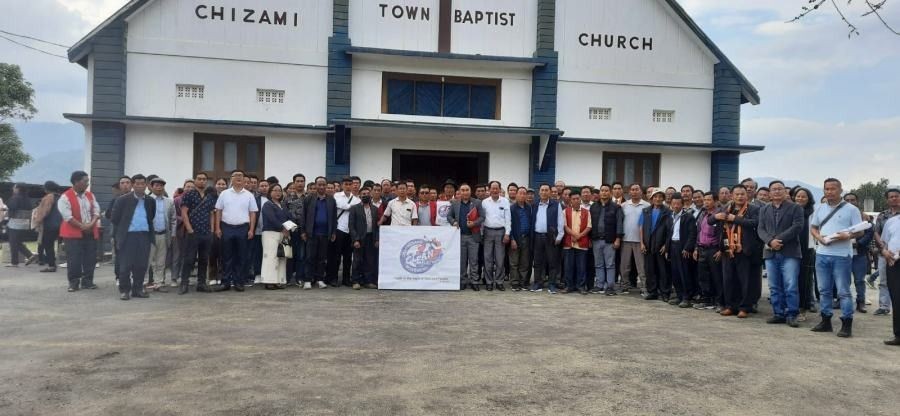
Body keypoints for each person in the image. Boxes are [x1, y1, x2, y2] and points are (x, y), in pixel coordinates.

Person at [810, 178, 864, 338]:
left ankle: (846, 322)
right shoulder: (820, 208)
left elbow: (860, 231)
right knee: (824, 290)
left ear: (841, 190)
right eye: (826, 189)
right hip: (822, 253)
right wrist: (819, 238)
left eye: (833, 189)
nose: (829, 192)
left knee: (843, 291)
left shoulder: (851, 209)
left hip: (842, 255)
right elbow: (813, 227)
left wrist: (847, 235)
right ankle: (825, 320)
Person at [758, 180, 805, 327]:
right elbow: (761, 229)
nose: (777, 191)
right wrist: (770, 241)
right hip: (770, 252)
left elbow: (797, 227)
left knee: (790, 285)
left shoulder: (795, 208)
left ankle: (792, 314)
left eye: (780, 189)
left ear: (785, 192)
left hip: (790, 251)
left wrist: (778, 239)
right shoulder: (764, 209)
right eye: (774, 189)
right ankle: (778, 313)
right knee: (774, 285)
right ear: (770, 193)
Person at [714, 185, 762, 318]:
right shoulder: (726, 208)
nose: (740, 196)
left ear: (747, 195)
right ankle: (730, 306)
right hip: (727, 249)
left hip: (744, 249)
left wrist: (735, 219)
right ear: (732, 196)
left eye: (742, 194)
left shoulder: (754, 209)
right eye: (737, 194)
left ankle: (744, 307)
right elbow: (712, 220)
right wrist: (718, 216)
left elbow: (755, 223)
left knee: (745, 280)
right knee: (729, 279)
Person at [111, 174, 156, 301]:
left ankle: (138, 289)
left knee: (141, 265)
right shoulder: (122, 200)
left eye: (143, 183)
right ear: (132, 185)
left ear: (146, 185)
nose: (140, 186)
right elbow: (114, 218)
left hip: (144, 236)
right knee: (125, 265)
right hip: (128, 236)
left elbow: (151, 216)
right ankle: (125, 290)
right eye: (137, 183)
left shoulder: (150, 201)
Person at [214, 169, 259, 292]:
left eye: (241, 175)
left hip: (243, 228)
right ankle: (226, 282)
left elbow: (252, 213)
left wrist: (251, 229)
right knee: (226, 256)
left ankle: (239, 282)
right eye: (236, 175)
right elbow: (218, 211)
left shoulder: (249, 195)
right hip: (226, 227)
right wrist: (217, 228)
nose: (239, 177)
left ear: (244, 179)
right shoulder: (224, 194)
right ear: (231, 179)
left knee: (241, 256)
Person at [58, 171, 101, 291]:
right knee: (74, 259)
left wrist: (91, 224)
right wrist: (82, 226)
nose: (87, 183)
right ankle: (73, 283)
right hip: (73, 233)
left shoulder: (90, 195)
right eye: (85, 181)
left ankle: (88, 281)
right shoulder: (65, 197)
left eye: (88, 181)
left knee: (90, 258)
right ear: (76, 182)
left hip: (90, 231)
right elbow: (67, 217)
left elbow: (96, 211)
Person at [180, 172, 217, 294]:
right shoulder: (189, 195)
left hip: (206, 232)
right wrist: (190, 229)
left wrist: (211, 230)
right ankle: (184, 284)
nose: (202, 181)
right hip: (193, 232)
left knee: (204, 259)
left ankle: (201, 284)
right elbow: (184, 212)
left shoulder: (210, 196)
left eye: (204, 179)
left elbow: (212, 213)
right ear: (195, 180)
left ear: (207, 182)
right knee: (189, 259)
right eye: (199, 179)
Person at [449, 183, 485, 291]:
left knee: (474, 261)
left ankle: (474, 281)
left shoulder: (477, 202)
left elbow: (483, 216)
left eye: (467, 190)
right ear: (459, 192)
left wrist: (474, 223)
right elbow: (449, 216)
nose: (465, 192)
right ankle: (463, 281)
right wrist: (454, 221)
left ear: (470, 191)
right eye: (462, 190)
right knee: (462, 261)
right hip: (460, 237)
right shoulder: (455, 203)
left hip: (473, 236)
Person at [302, 176, 336, 290]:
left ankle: (320, 279)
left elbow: (334, 218)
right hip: (312, 233)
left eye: (323, 184)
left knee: (322, 258)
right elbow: (304, 216)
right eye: (319, 184)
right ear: (315, 185)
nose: (321, 187)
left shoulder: (331, 199)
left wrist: (333, 232)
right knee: (310, 257)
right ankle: (307, 280)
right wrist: (303, 231)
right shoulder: (308, 199)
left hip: (325, 234)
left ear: (326, 186)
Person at [589, 184, 623, 295]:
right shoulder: (593, 206)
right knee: (598, 264)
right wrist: (590, 238)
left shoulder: (616, 207)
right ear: (599, 193)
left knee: (610, 264)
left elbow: (619, 224)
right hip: (596, 240)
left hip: (610, 240)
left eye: (606, 190)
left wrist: (618, 239)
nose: (604, 192)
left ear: (610, 193)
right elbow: (590, 224)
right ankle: (599, 285)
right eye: (602, 190)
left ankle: (610, 286)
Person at [843, 192, 874, 313]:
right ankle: (843, 301)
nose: (850, 202)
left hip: (859, 254)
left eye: (853, 200)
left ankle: (861, 302)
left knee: (859, 280)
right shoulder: (840, 216)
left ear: (857, 201)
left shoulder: (864, 218)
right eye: (847, 200)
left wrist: (857, 243)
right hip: (843, 254)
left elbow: (869, 233)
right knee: (843, 280)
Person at [639, 190, 672, 301]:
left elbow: (670, 230)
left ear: (663, 198)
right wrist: (642, 243)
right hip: (648, 245)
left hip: (661, 245)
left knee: (663, 270)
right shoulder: (646, 211)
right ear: (651, 198)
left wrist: (666, 245)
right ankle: (652, 292)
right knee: (650, 270)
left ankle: (665, 293)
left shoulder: (667, 212)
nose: (657, 199)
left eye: (660, 197)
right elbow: (641, 227)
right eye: (655, 197)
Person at [693, 192, 723, 311]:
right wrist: (696, 248)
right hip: (702, 248)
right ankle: (707, 300)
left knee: (716, 277)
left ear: (715, 201)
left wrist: (721, 250)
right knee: (703, 277)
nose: (706, 202)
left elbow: (723, 233)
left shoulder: (720, 215)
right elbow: (698, 231)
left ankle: (720, 302)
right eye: (705, 200)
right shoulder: (703, 214)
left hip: (714, 249)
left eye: (709, 200)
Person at [481, 181, 512, 291]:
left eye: (496, 188)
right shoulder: (484, 202)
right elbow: (481, 219)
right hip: (487, 232)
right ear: (489, 190)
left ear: (499, 189)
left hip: (501, 233)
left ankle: (499, 281)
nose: (494, 190)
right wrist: (481, 233)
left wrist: (507, 233)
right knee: (487, 259)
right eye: (492, 188)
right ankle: (489, 282)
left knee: (500, 259)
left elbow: (508, 219)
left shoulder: (505, 201)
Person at [873, 188, 900, 316]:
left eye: (896, 196)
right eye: (891, 197)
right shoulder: (882, 215)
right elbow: (876, 232)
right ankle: (884, 306)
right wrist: (883, 247)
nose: (894, 198)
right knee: (884, 280)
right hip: (885, 253)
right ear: (887, 199)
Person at [667, 195, 697, 307]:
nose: (675, 206)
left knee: (684, 273)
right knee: (675, 273)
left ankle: (686, 297)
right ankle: (679, 296)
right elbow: (668, 234)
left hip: (683, 247)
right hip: (673, 246)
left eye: (678, 204)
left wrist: (687, 248)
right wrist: (667, 248)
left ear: (682, 204)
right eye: (673, 203)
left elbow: (692, 234)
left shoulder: (688, 217)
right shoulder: (670, 216)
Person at [621, 184, 651, 295]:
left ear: (641, 192)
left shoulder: (647, 206)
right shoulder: (623, 205)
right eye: (632, 190)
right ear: (629, 192)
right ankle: (624, 285)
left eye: (637, 190)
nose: (634, 192)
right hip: (626, 240)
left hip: (641, 241)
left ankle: (644, 287)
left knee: (641, 266)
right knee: (625, 265)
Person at [793, 187, 818, 318]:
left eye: (803, 197)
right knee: (792, 279)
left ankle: (804, 305)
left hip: (807, 250)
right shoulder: (790, 211)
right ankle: (792, 306)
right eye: (798, 196)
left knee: (805, 279)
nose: (800, 199)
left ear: (809, 199)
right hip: (791, 249)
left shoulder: (813, 213)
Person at [146, 177, 175, 292]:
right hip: (149, 235)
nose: (159, 188)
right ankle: (143, 283)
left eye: (161, 185)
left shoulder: (169, 201)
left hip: (163, 235)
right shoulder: (146, 200)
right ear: (151, 187)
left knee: (160, 261)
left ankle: (158, 283)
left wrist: (172, 233)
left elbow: (173, 219)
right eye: (156, 185)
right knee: (147, 261)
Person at [349, 187, 380, 290]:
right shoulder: (354, 208)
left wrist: (376, 239)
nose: (365, 195)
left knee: (369, 260)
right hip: (359, 238)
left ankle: (368, 281)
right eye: (363, 194)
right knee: (357, 260)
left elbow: (376, 226)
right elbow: (351, 225)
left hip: (371, 237)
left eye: (367, 193)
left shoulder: (375, 209)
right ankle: (356, 281)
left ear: (370, 195)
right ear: (360, 195)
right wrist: (355, 239)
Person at [260, 184, 290, 290]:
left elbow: (288, 218)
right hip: (270, 233)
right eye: (275, 190)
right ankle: (269, 282)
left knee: (281, 257)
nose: (278, 192)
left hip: (283, 234)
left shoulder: (283, 205)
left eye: (279, 191)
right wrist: (283, 228)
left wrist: (290, 227)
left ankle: (279, 281)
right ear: (270, 192)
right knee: (271, 257)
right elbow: (272, 219)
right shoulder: (267, 205)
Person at [561, 192, 592, 295]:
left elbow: (589, 227)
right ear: (570, 200)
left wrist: (579, 236)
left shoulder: (587, 212)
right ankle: (569, 286)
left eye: (577, 198)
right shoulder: (565, 211)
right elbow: (564, 226)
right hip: (569, 243)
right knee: (568, 266)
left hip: (582, 243)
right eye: (573, 199)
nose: (576, 200)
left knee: (581, 266)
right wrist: (574, 234)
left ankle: (581, 286)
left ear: (580, 200)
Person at [334, 176, 360, 287]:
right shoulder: (337, 195)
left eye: (350, 184)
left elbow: (357, 211)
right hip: (339, 228)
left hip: (351, 231)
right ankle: (334, 278)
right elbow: (341, 205)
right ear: (341, 185)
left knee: (348, 257)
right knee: (336, 256)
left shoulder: (357, 199)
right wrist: (351, 207)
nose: (348, 186)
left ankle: (346, 279)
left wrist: (350, 207)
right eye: (346, 184)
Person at [879, 211, 900, 346]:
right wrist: (885, 252)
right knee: (897, 299)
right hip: (894, 263)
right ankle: (898, 335)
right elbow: (884, 243)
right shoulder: (891, 221)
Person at [33, 181, 63, 272]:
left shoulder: (48, 197)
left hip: (50, 224)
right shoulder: (61, 197)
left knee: (48, 245)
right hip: (62, 224)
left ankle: (51, 265)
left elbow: (44, 211)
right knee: (63, 245)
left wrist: (37, 222)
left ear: (47, 189)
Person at [508, 188, 534, 292]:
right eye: (520, 193)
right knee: (514, 262)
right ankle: (514, 283)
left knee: (525, 262)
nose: (523, 195)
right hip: (515, 238)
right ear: (516, 194)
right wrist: (512, 239)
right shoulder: (511, 208)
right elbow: (508, 223)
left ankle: (523, 283)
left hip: (526, 238)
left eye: (524, 193)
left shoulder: (529, 207)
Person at [4, 184, 36, 267]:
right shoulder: (27, 199)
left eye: (14, 187)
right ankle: (29, 255)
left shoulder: (15, 198)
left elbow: (11, 207)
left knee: (13, 242)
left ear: (18, 189)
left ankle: (14, 262)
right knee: (17, 242)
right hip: (25, 223)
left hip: (15, 223)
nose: (13, 189)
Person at [285, 174, 306, 286]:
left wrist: (304, 230)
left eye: (302, 181)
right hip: (291, 231)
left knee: (301, 255)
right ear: (294, 182)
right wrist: (290, 229)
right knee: (290, 255)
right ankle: (287, 278)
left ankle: (299, 278)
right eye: (297, 181)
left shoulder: (309, 197)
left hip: (304, 232)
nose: (300, 183)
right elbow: (284, 214)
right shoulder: (287, 198)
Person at [208, 178, 228, 285]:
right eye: (219, 183)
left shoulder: (229, 196)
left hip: (225, 227)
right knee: (212, 253)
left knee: (223, 253)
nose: (221, 185)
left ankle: (221, 275)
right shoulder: (210, 197)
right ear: (215, 185)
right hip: (212, 228)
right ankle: (212, 276)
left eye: (223, 184)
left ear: (226, 185)